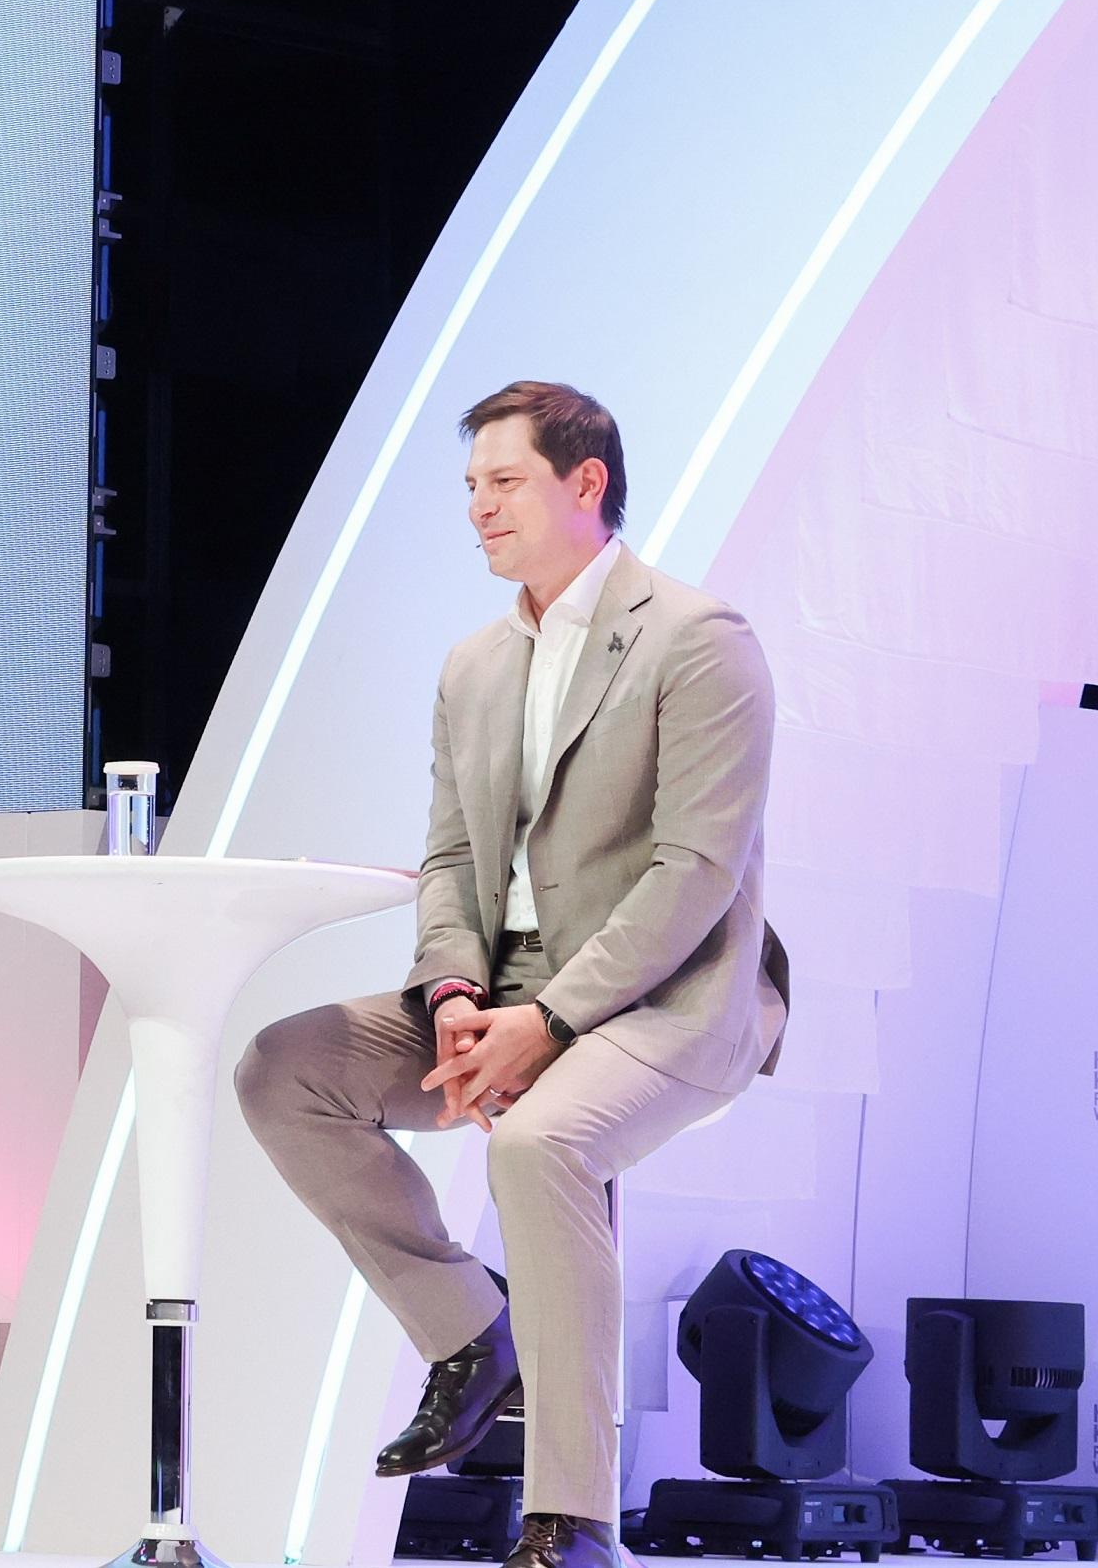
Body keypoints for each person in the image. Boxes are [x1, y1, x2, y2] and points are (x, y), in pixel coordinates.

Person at [235, 380, 789, 1568]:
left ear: (587, 483)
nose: (479, 507)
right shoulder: (474, 665)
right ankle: (471, 1332)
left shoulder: (699, 638)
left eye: (505, 481)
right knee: (285, 1068)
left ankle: (572, 1522)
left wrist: (549, 1020)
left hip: (673, 992)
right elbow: (450, 856)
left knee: (538, 1145)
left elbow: (697, 871)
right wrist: (450, 994)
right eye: (471, 486)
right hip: (501, 990)